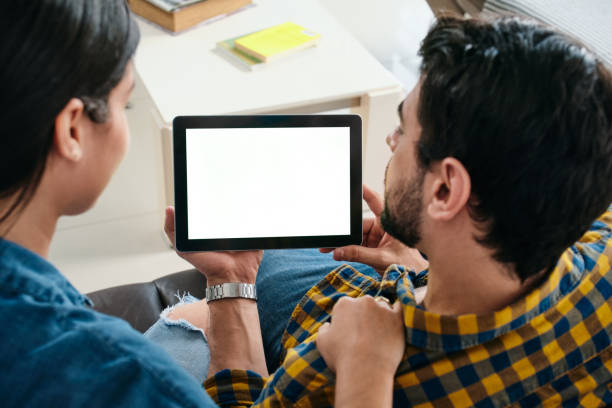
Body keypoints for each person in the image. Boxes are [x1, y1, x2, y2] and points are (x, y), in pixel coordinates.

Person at [165, 16, 612, 407]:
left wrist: (231, 280)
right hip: (417, 278)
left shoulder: (329, 378)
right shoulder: (603, 258)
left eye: (403, 128)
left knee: (228, 290)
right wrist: (427, 261)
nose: (390, 141)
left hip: (343, 328)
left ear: (445, 189)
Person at [0, 1, 404, 406]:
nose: (392, 141)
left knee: (189, 316)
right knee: (186, 319)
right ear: (72, 129)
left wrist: (232, 275)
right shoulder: (130, 377)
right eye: (124, 104)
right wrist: (365, 372)